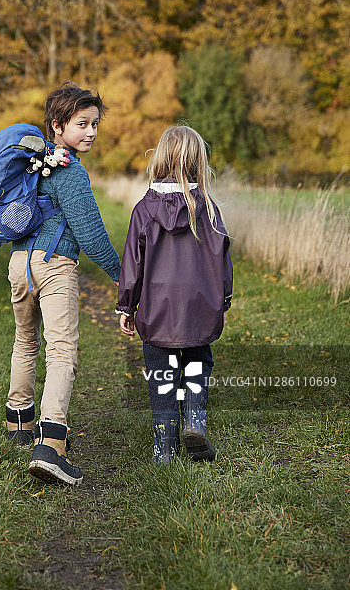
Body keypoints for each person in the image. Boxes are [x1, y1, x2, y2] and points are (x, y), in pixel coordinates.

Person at [0, 82, 121, 485]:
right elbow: (90, 235)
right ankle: (51, 445)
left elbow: (4, 219)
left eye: (94, 124)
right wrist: (126, 278)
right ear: (57, 125)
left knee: (25, 341)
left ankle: (18, 424)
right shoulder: (68, 171)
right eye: (82, 123)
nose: (90, 132)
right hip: (54, 266)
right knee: (62, 349)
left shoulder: (30, 164)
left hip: (19, 264)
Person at [116, 125, 233, 465]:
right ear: (199, 162)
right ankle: (195, 422)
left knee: (162, 373)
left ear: (160, 159)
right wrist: (223, 301)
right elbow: (222, 260)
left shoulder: (144, 209)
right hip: (200, 306)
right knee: (198, 361)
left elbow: (132, 263)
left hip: (156, 311)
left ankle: (164, 448)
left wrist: (126, 305)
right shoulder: (208, 209)